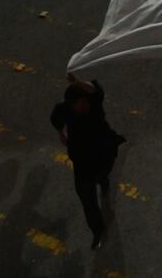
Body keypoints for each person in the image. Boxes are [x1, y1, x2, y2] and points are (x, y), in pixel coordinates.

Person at [51, 73, 125, 250]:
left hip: (102, 156)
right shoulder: (64, 110)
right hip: (82, 163)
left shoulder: (94, 105)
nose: (84, 105)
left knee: (102, 175)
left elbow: (96, 90)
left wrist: (76, 82)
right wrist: (61, 133)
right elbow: (56, 120)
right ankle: (97, 230)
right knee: (88, 201)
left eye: (85, 101)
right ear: (71, 105)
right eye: (80, 103)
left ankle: (103, 180)